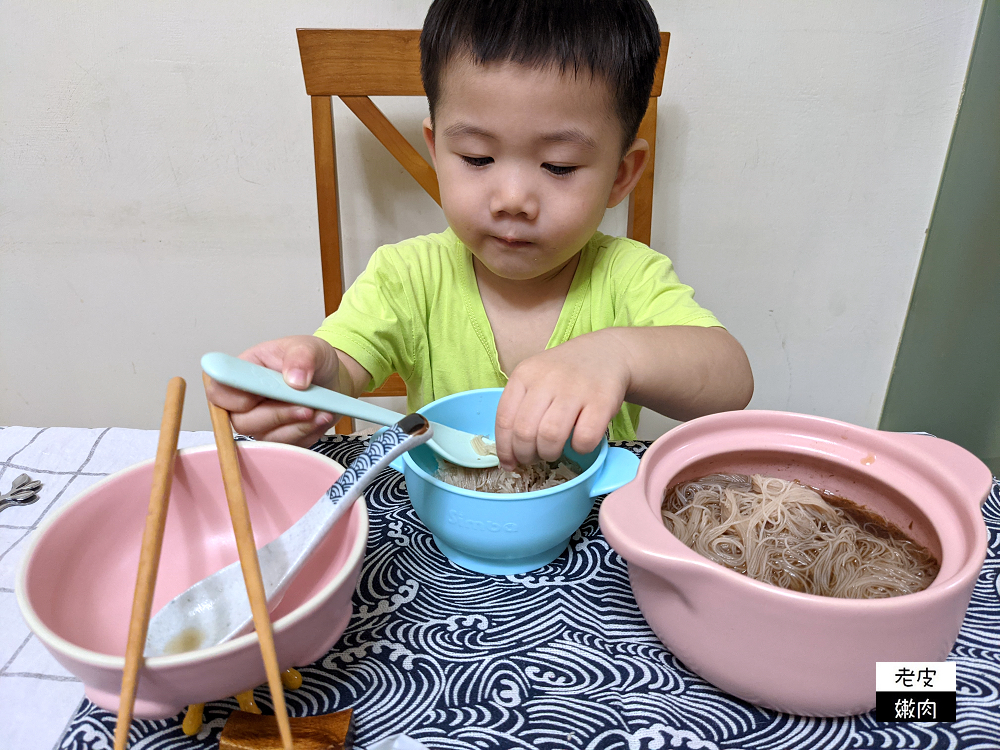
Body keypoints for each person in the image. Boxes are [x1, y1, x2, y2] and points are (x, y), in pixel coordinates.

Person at [207, 0, 753, 471]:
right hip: (438, 530)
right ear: (435, 150)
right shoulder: (407, 275)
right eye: (477, 157)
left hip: (589, 536)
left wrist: (617, 354)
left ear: (620, 176)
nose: (512, 198)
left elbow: (731, 381)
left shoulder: (628, 277)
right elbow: (345, 366)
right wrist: (314, 375)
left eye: (559, 166)